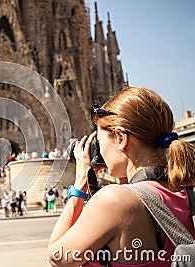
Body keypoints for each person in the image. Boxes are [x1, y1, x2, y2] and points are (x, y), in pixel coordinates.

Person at [48, 86, 195, 266]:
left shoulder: (115, 200)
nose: (99, 151)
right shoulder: (185, 195)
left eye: (100, 142)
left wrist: (79, 185)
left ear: (120, 138)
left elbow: (57, 257)